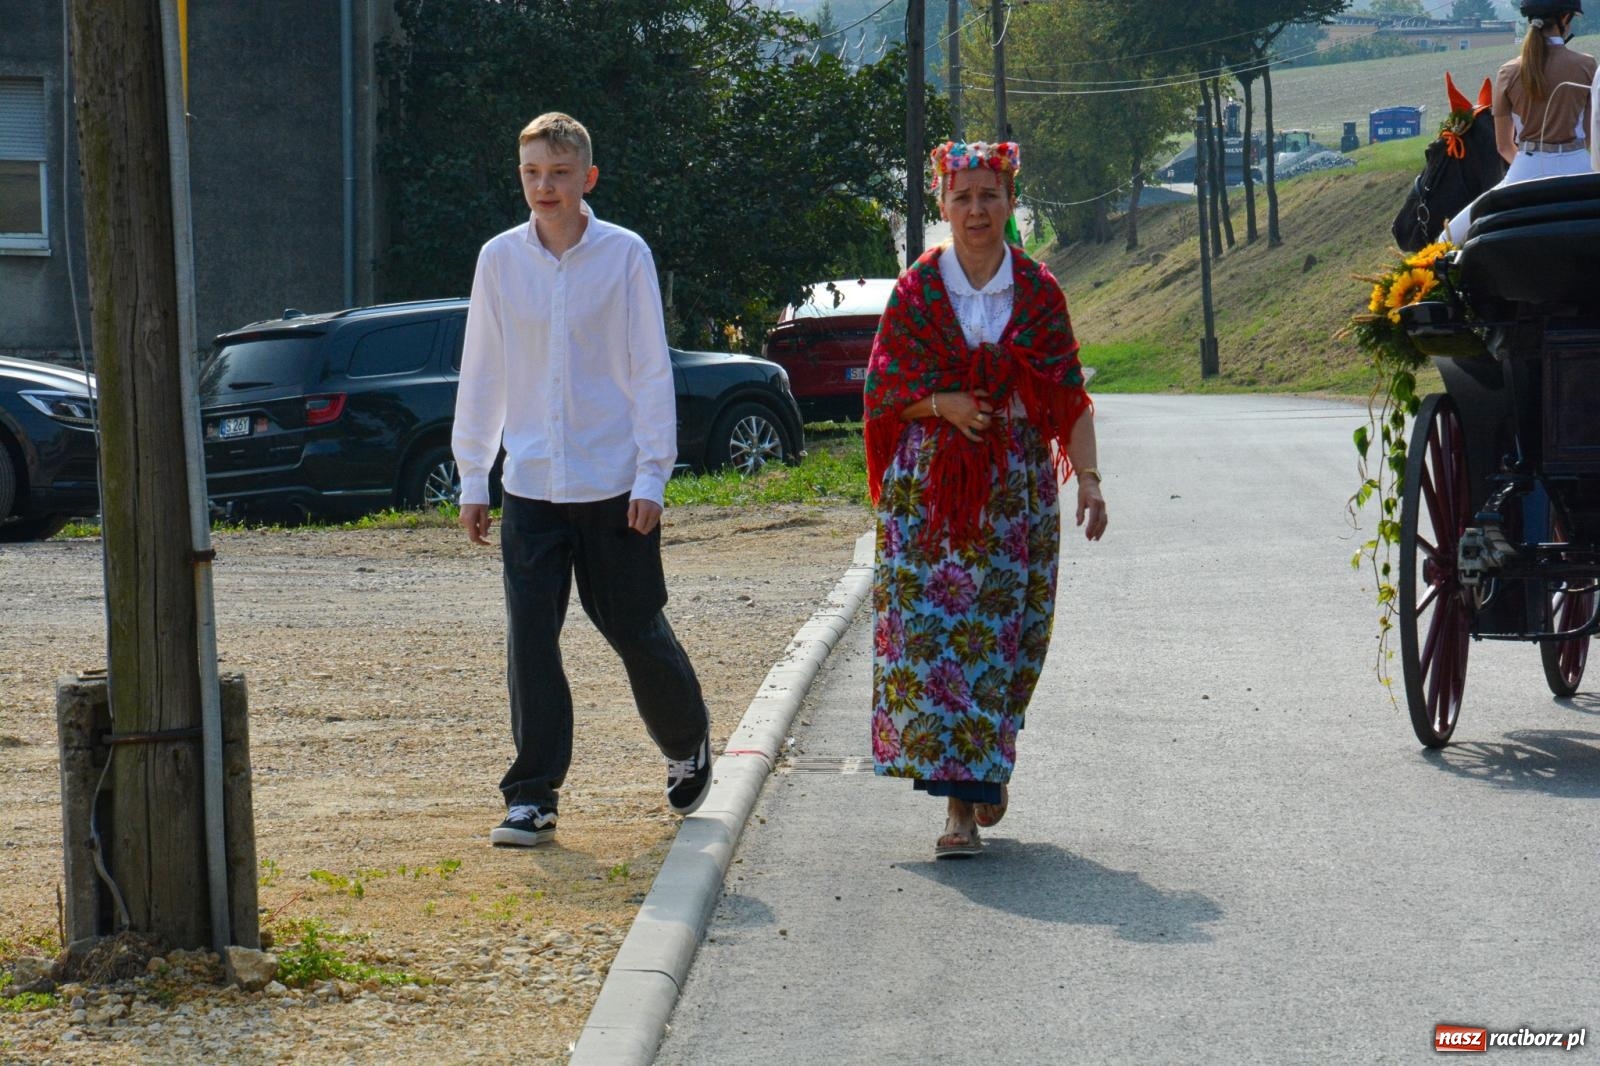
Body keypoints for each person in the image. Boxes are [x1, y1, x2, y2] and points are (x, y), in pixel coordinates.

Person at [452, 112, 713, 848]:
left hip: (613, 483)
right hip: (532, 484)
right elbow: (484, 372)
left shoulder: (624, 255)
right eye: (532, 173)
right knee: (531, 638)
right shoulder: (499, 261)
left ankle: (685, 739)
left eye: (559, 173)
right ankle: (532, 794)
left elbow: (648, 369)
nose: (545, 186)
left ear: (587, 178)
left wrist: (653, 476)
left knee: (633, 626)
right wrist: (476, 474)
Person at [863, 140, 1107, 860]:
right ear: (942, 204)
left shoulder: (1037, 293)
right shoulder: (915, 294)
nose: (976, 210)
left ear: (1009, 203)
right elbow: (885, 396)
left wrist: (1089, 481)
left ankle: (985, 765)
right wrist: (944, 403)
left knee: (1008, 639)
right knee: (936, 641)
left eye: (989, 196)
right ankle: (960, 811)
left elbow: (1068, 398)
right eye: (962, 197)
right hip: (929, 500)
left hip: (1013, 498)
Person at [1445, 0, 1595, 243]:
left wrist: (1534, 168)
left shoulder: (1508, 71)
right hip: (1579, 165)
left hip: (1526, 168)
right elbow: (1589, 136)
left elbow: (1504, 146)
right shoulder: (1587, 65)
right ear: (1565, 18)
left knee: (1445, 240)